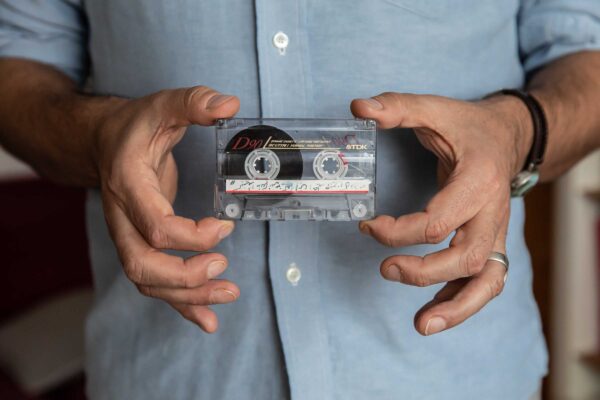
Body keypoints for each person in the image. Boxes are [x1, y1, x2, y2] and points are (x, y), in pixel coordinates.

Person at [0, 1, 599, 399]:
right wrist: (99, 135)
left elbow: (587, 49)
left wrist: (516, 131)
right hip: (173, 373)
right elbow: (17, 59)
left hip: (456, 375)